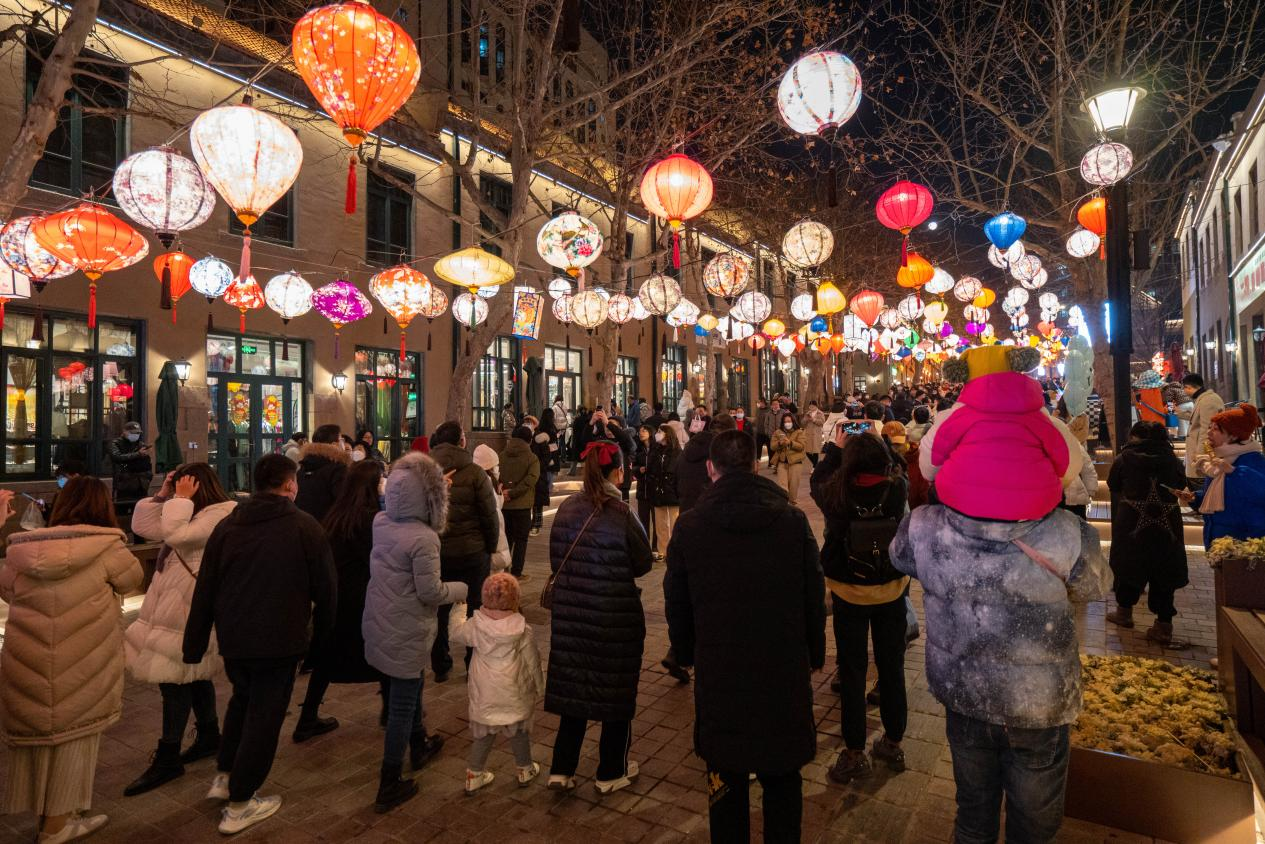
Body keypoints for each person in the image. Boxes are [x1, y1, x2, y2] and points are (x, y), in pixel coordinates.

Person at [892, 439, 1107, 843]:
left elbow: (901, 559)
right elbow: (1095, 585)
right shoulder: (1065, 530)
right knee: (1035, 827)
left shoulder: (925, 525)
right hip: (1040, 702)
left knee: (973, 815)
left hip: (965, 692)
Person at [664, 430, 825, 843]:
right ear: (756, 464)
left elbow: (676, 600)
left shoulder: (691, 525)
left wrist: (684, 652)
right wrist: (815, 650)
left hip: (720, 668)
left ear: (711, 469)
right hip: (782, 663)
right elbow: (812, 592)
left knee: (725, 776)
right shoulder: (791, 520)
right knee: (782, 775)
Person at [183, 454, 337, 836]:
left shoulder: (229, 525)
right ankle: (239, 802)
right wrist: (324, 638)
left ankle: (226, 774)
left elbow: (206, 586)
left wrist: (195, 640)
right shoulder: (304, 526)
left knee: (242, 701)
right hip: (280, 638)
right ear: (289, 485)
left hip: (235, 636)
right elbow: (327, 589)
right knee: (265, 717)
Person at [1, 479, 143, 844]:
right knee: (75, 739)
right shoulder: (107, 546)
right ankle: (56, 827)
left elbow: (6, 589)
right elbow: (132, 581)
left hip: (29, 660)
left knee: (43, 740)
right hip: (84, 659)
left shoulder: (22, 549)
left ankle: (50, 815)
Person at [362, 451, 468, 812]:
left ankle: (419, 744)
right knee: (403, 706)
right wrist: (463, 589)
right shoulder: (424, 538)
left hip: (380, 621)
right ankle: (389, 781)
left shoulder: (381, 521)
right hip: (406, 627)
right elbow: (431, 592)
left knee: (402, 690)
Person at [545, 440, 653, 793]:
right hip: (613, 616)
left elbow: (555, 557)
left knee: (574, 690)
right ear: (617, 472)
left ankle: (562, 768)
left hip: (572, 616)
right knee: (615, 695)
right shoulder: (621, 513)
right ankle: (611, 771)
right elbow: (642, 563)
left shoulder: (566, 510)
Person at [124, 464, 237, 797]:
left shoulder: (220, 513)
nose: (176, 489)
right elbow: (144, 527)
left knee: (173, 679)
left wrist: (180, 501)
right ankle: (208, 735)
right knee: (193, 674)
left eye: (183, 484)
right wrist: (162, 496)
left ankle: (168, 755)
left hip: (189, 608)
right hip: (173, 606)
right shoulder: (184, 508)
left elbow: (177, 537)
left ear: (198, 486)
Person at [810, 434, 909, 785]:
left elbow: (815, 480)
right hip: (892, 590)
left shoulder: (836, 492)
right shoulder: (897, 489)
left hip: (849, 593)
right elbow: (903, 469)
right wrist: (883, 442)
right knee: (892, 667)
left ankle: (854, 752)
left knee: (852, 672)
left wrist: (835, 450)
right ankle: (893, 742)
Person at [293, 460, 402, 743]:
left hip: (338, 598)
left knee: (328, 659)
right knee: (384, 653)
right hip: (364, 597)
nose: (384, 485)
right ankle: (391, 712)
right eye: (381, 480)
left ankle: (307, 718)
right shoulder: (371, 518)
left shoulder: (338, 514)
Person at [451, 573, 545, 793]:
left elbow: (455, 633)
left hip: (486, 692)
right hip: (514, 691)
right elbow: (533, 662)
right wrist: (540, 686)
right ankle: (525, 768)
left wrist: (459, 610)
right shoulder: (522, 630)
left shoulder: (476, 626)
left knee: (485, 732)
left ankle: (474, 774)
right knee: (518, 731)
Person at [1103, 421, 1190, 646]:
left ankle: (1124, 612)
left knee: (1128, 565)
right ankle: (1164, 625)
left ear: (1134, 437)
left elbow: (1113, 484)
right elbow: (1182, 482)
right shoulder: (1172, 460)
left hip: (1131, 521)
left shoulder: (1125, 458)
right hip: (1166, 524)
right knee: (1164, 569)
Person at [428, 422, 499, 682]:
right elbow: (489, 516)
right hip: (473, 552)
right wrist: (490, 547)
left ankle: (440, 664)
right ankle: (473, 663)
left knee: (440, 608)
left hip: (438, 551)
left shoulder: (424, 471)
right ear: (461, 441)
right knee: (476, 609)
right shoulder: (475, 473)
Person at [1183, 404, 1265, 545]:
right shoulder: (1217, 462)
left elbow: (1260, 490)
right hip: (1219, 542)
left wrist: (1234, 472)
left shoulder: (1253, 459)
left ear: (1233, 435)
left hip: (1246, 544)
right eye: (1210, 427)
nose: (1209, 433)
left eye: (1215, 430)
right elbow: (1217, 496)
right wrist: (1195, 497)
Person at [499, 426, 541, 580]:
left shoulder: (502, 455)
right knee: (521, 540)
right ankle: (517, 572)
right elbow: (531, 480)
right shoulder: (532, 458)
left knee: (506, 539)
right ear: (529, 440)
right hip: (522, 505)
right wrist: (514, 492)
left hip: (505, 504)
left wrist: (505, 492)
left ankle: (503, 569)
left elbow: (496, 475)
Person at [677, 413, 736, 514]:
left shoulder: (689, 446)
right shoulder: (722, 449)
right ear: (730, 431)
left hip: (686, 507)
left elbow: (676, 473)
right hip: (711, 509)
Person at [294, 424, 350, 522]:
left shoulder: (303, 467)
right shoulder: (338, 469)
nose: (344, 444)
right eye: (341, 440)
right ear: (334, 445)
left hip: (305, 525)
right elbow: (344, 502)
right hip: (329, 527)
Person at [472, 444, 513, 574]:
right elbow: (495, 519)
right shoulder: (487, 484)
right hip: (491, 548)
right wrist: (502, 555)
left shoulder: (475, 481)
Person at [1179, 372, 1224, 489]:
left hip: (1202, 457)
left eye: (1184, 388)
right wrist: (1182, 414)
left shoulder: (1208, 401)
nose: (1184, 392)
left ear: (1188, 387)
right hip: (1199, 454)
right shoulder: (1204, 399)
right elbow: (1199, 420)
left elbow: (1207, 430)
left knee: (1201, 489)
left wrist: (1200, 456)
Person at [647, 423, 682, 559]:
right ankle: (663, 551)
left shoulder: (677, 451)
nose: (658, 434)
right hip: (658, 489)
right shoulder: (655, 450)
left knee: (674, 521)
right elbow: (650, 468)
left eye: (661, 431)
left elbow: (677, 471)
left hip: (672, 490)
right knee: (660, 524)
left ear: (668, 434)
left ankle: (674, 551)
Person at [109, 420, 153, 510]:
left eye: (138, 433)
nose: (136, 435)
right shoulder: (116, 443)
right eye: (133, 433)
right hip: (124, 484)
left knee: (141, 510)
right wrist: (137, 454)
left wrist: (148, 477)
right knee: (122, 510)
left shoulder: (140, 444)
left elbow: (147, 465)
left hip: (141, 484)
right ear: (124, 432)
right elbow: (117, 457)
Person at [769, 412, 807, 506]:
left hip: (795, 463)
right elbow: (772, 447)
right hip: (782, 464)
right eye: (785, 421)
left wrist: (790, 443)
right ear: (782, 423)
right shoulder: (778, 432)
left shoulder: (799, 432)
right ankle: (785, 505)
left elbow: (802, 446)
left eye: (789, 421)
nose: (787, 423)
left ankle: (792, 503)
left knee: (793, 488)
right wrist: (779, 443)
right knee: (783, 488)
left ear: (793, 421)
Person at [530, 412, 559, 535]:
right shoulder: (551, 430)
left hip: (540, 469)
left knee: (538, 498)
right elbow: (554, 448)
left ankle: (536, 524)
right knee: (540, 496)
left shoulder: (539, 436)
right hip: (544, 467)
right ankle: (536, 523)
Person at [633, 424, 654, 545]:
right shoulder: (638, 450)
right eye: (640, 431)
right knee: (643, 522)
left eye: (644, 430)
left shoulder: (657, 450)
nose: (641, 433)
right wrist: (638, 470)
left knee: (657, 522)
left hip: (654, 490)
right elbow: (633, 467)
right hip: (642, 491)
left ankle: (656, 548)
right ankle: (645, 546)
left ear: (651, 433)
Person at [802, 400, 825, 466]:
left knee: (815, 451)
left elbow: (822, 422)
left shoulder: (820, 413)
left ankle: (814, 466)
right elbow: (802, 423)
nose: (811, 407)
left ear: (816, 406)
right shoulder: (807, 413)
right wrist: (806, 419)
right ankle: (816, 465)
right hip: (808, 434)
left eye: (813, 406)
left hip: (816, 434)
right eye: (810, 406)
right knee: (807, 451)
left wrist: (814, 420)